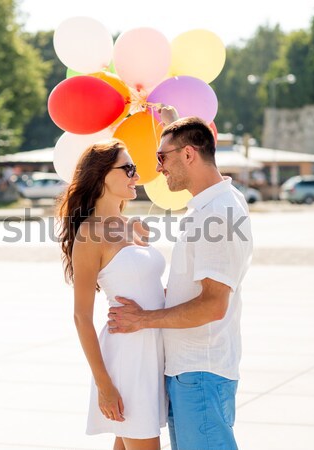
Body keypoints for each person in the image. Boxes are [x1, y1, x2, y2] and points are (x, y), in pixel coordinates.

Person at [108, 116, 253, 450]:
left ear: (188, 155)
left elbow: (213, 305)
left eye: (162, 157)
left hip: (201, 374)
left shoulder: (219, 213)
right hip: (190, 372)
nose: (158, 168)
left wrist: (142, 319)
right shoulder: (212, 206)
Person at [57, 139, 167, 450]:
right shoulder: (90, 235)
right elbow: (81, 316)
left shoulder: (135, 227)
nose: (137, 176)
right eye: (129, 168)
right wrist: (104, 384)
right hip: (126, 360)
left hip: (152, 354)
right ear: (102, 175)